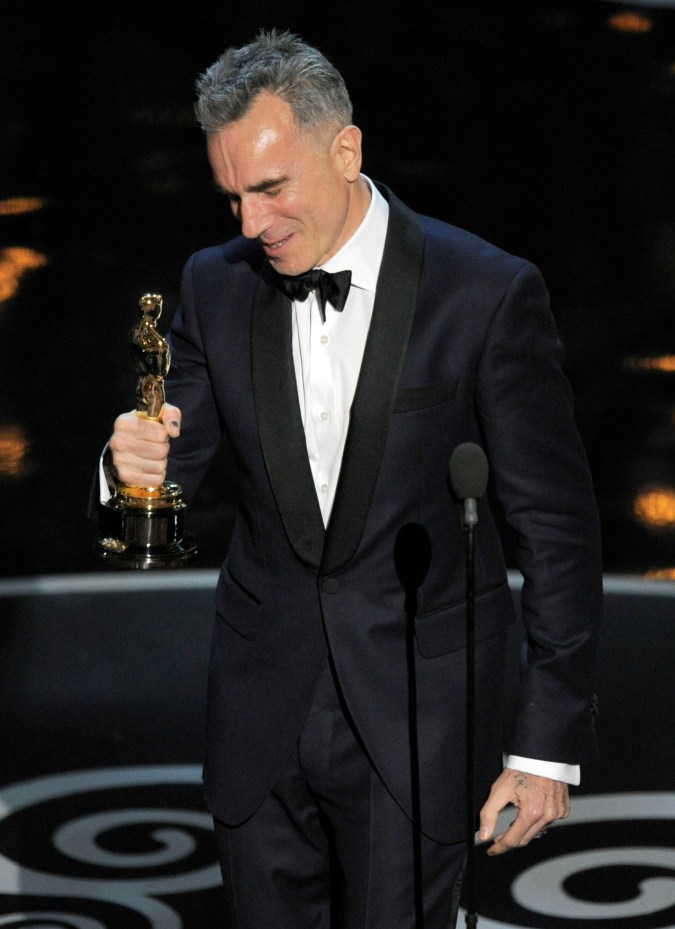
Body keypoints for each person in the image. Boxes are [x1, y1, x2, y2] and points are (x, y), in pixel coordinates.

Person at [102, 28, 603, 928]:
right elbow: (177, 456)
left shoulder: (484, 291)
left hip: (418, 722)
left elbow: (555, 528)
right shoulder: (214, 285)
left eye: (269, 188)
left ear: (345, 149)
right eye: (231, 199)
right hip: (261, 719)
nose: (252, 225)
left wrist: (545, 744)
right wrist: (126, 467)